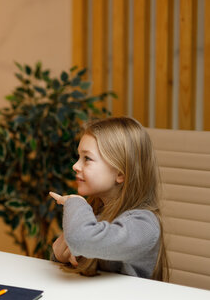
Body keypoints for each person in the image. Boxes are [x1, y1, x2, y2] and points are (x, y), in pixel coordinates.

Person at [49, 116, 168, 280]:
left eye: (87, 158)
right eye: (78, 157)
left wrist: (74, 202)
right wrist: (61, 256)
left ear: (120, 173)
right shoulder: (97, 213)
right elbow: (83, 260)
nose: (75, 166)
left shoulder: (144, 225)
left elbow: (81, 240)